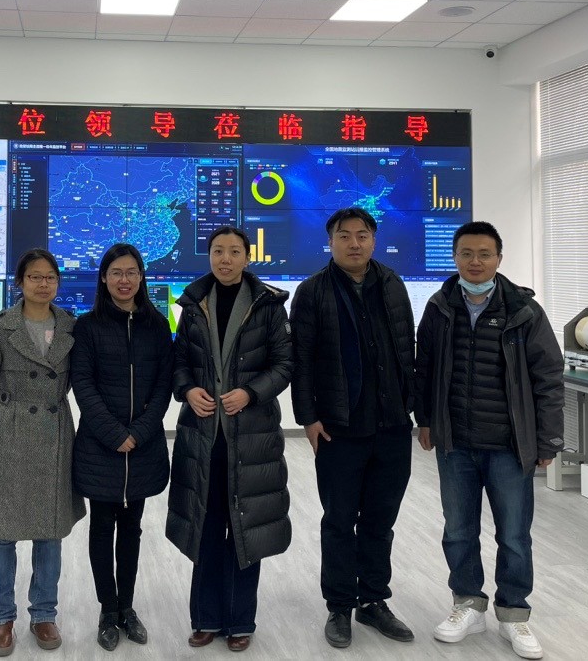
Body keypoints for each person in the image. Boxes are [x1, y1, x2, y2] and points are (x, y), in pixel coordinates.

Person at [414, 221, 564, 660]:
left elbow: (548, 377)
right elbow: (424, 370)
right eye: (466, 253)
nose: (475, 262)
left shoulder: (524, 311)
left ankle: (514, 613)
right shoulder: (439, 308)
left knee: (514, 534)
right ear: (455, 257)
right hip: (456, 443)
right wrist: (425, 420)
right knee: (458, 531)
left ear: (499, 258)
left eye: (484, 254)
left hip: (509, 445)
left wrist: (548, 439)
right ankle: (468, 603)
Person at [289, 207, 417, 648]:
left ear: (374, 240)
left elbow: (406, 349)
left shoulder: (392, 284)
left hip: (392, 424)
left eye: (362, 235)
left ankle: (374, 601)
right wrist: (308, 417)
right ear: (331, 242)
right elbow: (301, 360)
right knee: (340, 521)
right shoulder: (312, 291)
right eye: (344, 236)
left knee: (380, 521)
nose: (354, 243)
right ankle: (340, 606)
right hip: (339, 428)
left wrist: (414, 408)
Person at [166, 225, 293, 652]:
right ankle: (205, 619)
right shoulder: (193, 304)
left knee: (244, 530)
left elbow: (284, 364)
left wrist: (251, 393)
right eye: (218, 251)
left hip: (251, 436)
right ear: (209, 256)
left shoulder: (268, 305)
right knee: (205, 526)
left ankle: (240, 621)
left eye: (234, 251)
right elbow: (179, 360)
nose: (225, 259)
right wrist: (187, 390)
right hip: (203, 436)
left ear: (247, 257)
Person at [0, 248, 85, 657]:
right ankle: (0, 619)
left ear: (57, 282)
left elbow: (73, 380)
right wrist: (6, 416)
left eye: (50, 277)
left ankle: (44, 614)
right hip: (9, 433)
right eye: (34, 276)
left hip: (54, 432)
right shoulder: (2, 327)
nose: (43, 284)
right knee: (2, 533)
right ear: (20, 282)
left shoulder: (69, 325)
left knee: (50, 533)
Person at [69, 243, 173, 651]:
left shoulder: (157, 325)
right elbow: (83, 385)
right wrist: (114, 434)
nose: (124, 280)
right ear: (104, 278)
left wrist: (141, 432)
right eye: (116, 273)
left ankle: (127, 607)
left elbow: (164, 385)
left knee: (132, 530)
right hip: (101, 447)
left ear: (141, 277)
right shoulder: (87, 326)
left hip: (143, 447)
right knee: (101, 529)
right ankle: (107, 610)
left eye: (131, 272)